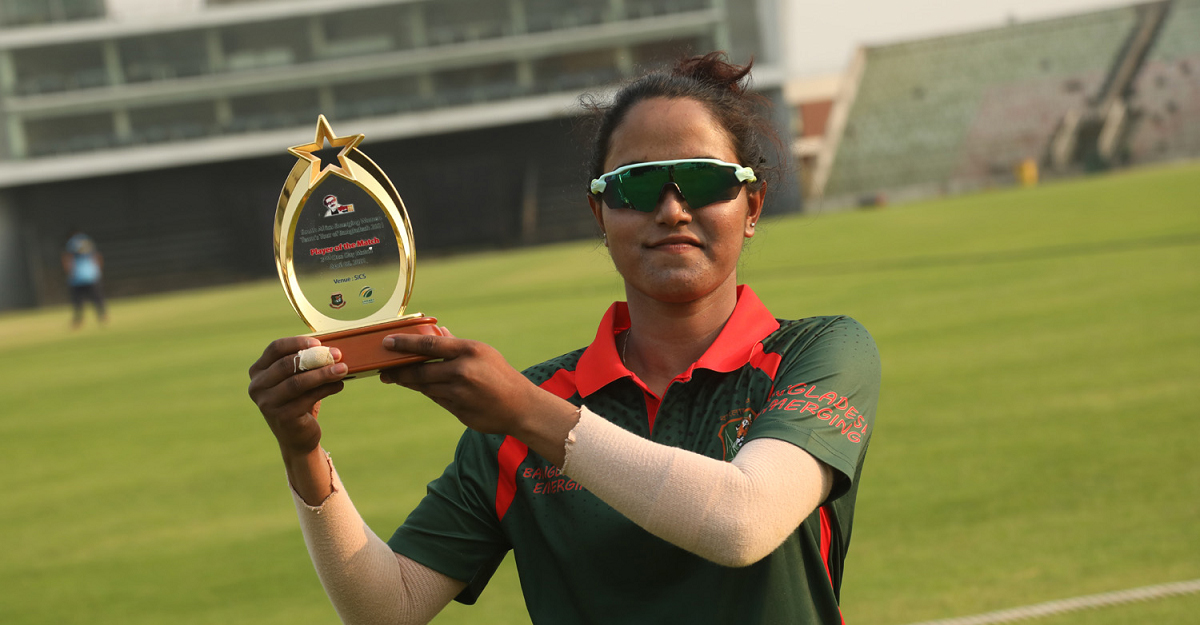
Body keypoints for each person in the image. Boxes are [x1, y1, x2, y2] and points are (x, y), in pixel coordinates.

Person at [248, 52, 880, 624]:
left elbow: (743, 522)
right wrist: (303, 453)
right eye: (636, 185)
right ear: (600, 213)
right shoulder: (518, 411)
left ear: (753, 206)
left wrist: (527, 414)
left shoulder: (818, 354)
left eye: (705, 180)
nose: (672, 210)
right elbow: (389, 607)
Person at [62, 228, 107, 328]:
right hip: (92, 274)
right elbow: (97, 256)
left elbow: (68, 258)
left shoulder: (72, 242)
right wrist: (98, 270)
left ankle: (78, 321)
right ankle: (103, 317)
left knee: (78, 300)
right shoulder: (87, 240)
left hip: (77, 276)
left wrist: (69, 272)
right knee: (97, 298)